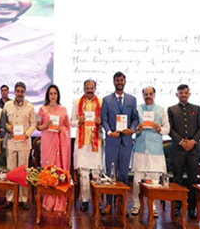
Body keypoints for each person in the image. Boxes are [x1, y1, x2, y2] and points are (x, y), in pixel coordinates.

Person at [101, 72, 138, 215]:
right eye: (117, 80)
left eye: (121, 80)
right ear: (113, 82)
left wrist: (132, 129)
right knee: (110, 174)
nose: (119, 82)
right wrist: (109, 132)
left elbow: (135, 118)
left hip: (126, 142)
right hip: (112, 140)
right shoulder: (106, 100)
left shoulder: (132, 99)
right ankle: (109, 203)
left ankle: (122, 205)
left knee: (123, 174)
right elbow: (104, 119)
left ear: (125, 81)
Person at [131, 87, 170, 217]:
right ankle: (136, 204)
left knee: (154, 178)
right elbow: (132, 127)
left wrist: (160, 129)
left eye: (150, 94)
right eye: (146, 94)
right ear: (142, 95)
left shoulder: (161, 110)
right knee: (137, 178)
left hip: (155, 148)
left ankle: (153, 206)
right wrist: (137, 128)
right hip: (141, 146)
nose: (148, 96)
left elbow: (167, 129)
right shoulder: (137, 109)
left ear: (154, 94)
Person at [168, 84, 200, 219]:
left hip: (193, 149)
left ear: (189, 94)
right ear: (177, 94)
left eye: (186, 92)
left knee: (192, 179)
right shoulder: (171, 109)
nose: (183, 95)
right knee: (177, 178)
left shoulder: (196, 108)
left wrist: (192, 141)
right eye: (181, 93)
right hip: (178, 149)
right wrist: (181, 141)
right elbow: (170, 129)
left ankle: (191, 207)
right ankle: (177, 206)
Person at [37, 84, 71, 212]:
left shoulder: (63, 109)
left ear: (58, 95)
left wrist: (60, 129)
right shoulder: (43, 109)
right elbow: (38, 127)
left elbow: (67, 127)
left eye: (55, 93)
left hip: (59, 143)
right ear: (47, 95)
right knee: (48, 168)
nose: (53, 96)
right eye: (51, 93)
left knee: (59, 169)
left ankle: (60, 202)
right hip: (47, 142)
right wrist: (46, 125)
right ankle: (48, 201)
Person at [3, 81, 36, 209]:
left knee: (23, 172)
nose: (20, 94)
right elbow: (3, 122)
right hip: (10, 142)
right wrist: (8, 127)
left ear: (24, 93)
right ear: (14, 92)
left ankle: (23, 199)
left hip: (23, 143)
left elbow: (33, 124)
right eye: (18, 91)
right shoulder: (7, 105)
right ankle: (10, 198)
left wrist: (26, 134)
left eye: (22, 91)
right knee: (11, 171)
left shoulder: (30, 107)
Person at [70, 79, 102, 212]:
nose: (89, 90)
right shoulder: (77, 102)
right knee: (83, 173)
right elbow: (72, 122)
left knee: (96, 173)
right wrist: (79, 121)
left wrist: (100, 121)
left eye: (92, 88)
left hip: (96, 141)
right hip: (82, 143)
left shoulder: (101, 102)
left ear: (95, 89)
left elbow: (105, 120)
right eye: (87, 88)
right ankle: (84, 200)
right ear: (83, 89)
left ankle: (97, 201)